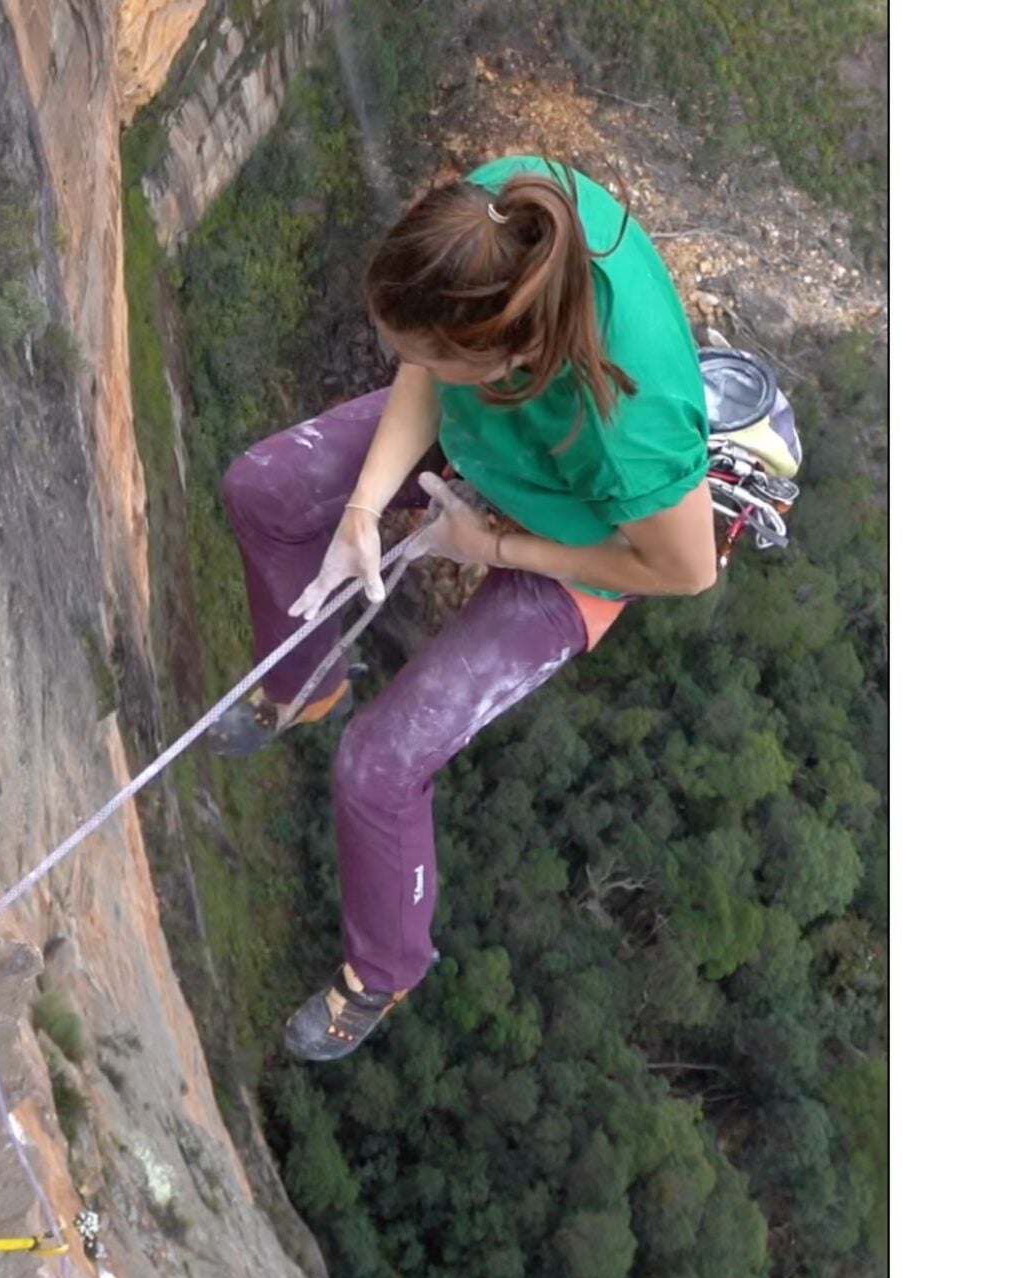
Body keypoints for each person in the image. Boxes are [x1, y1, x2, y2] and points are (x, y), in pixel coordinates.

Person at [204, 155, 719, 1061]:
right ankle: (307, 682)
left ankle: (386, 969)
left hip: (581, 544)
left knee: (381, 765)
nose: (413, 362)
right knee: (267, 489)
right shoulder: (498, 217)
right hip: (485, 439)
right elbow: (426, 363)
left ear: (508, 355)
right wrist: (364, 507)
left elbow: (683, 571)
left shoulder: (630, 427)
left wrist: (495, 550)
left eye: (433, 354)